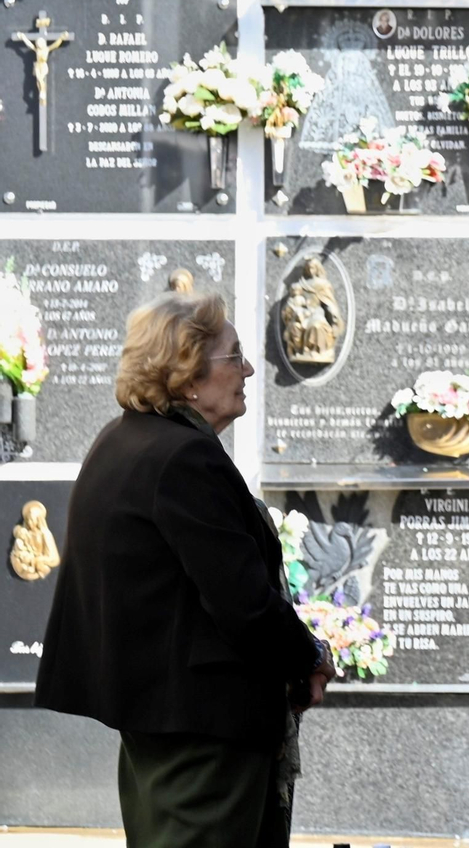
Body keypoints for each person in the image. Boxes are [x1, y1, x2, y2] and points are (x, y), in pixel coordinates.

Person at [34, 290, 336, 848]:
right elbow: (242, 601)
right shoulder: (183, 458)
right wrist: (311, 655)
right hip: (203, 734)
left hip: (162, 723)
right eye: (234, 357)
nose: (248, 369)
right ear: (187, 374)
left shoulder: (123, 440)